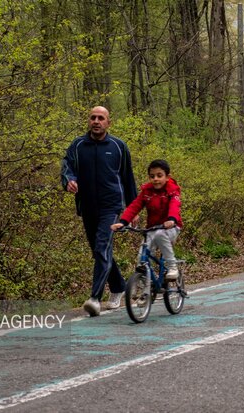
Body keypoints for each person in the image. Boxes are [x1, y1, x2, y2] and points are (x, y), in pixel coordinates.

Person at [61, 106, 138, 317]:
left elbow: (127, 179)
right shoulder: (78, 145)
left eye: (101, 118)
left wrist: (133, 209)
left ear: (108, 122)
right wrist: (69, 181)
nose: (96, 121)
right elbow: (67, 166)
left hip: (111, 206)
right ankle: (118, 287)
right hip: (87, 206)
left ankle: (94, 298)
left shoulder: (118, 146)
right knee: (98, 250)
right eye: (93, 118)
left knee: (102, 246)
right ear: (89, 121)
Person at [111, 159, 182, 280]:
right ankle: (146, 289)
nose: (155, 179)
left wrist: (171, 219)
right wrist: (122, 222)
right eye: (152, 176)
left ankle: (172, 266)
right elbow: (134, 206)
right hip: (152, 228)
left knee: (160, 234)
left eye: (159, 176)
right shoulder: (146, 192)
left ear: (167, 177)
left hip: (171, 227)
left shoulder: (172, 191)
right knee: (142, 260)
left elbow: (174, 206)